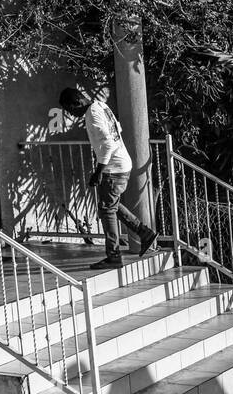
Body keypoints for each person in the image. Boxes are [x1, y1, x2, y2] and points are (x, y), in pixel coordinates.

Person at [58, 87, 158, 269]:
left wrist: (99, 171)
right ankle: (145, 233)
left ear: (77, 102)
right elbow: (117, 129)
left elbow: (108, 143)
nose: (71, 114)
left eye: (70, 110)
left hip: (113, 169)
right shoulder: (101, 105)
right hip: (121, 164)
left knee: (106, 210)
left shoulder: (92, 114)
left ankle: (114, 255)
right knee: (111, 204)